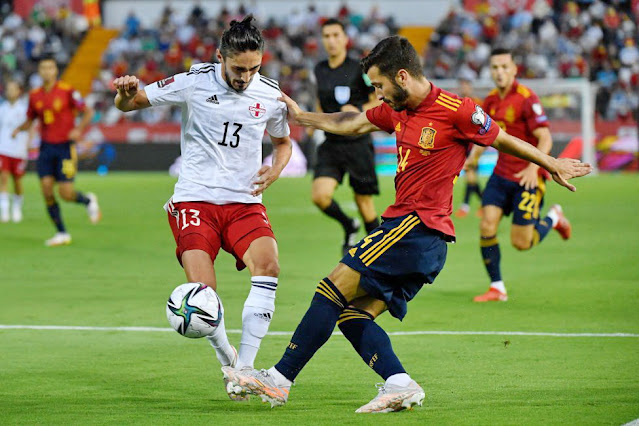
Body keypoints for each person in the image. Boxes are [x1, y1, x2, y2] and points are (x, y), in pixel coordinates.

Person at [221, 36, 591, 413]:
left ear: (402, 76)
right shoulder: (398, 109)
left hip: (414, 227)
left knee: (329, 290)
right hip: (424, 242)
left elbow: (503, 139)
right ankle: (399, 383)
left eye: (380, 86)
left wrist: (552, 163)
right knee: (352, 314)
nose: (378, 95)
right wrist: (302, 118)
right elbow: (351, 122)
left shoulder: (457, 110)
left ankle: (280, 379)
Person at [112, 16, 292, 399]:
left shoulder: (270, 95)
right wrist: (126, 92)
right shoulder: (194, 81)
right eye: (238, 68)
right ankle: (225, 353)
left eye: (254, 68)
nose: (245, 77)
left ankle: (243, 368)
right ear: (219, 57)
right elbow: (130, 104)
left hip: (244, 201)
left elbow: (283, 143)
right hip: (195, 199)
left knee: (269, 264)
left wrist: (275, 171)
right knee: (203, 293)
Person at [469, 48, 572, 303]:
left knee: (522, 243)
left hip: (528, 178)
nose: (499, 72)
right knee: (486, 224)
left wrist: (534, 167)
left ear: (515, 69)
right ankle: (497, 287)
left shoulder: (527, 98)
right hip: (501, 175)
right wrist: (473, 158)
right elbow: (486, 136)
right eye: (495, 67)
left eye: (504, 67)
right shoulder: (491, 100)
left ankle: (554, 217)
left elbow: (545, 137)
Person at [12, 57, 101, 246]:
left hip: (64, 148)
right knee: (46, 191)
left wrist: (78, 129)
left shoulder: (67, 91)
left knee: (65, 193)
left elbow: (88, 112)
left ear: (55, 71)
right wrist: (18, 129)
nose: (46, 71)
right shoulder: (35, 95)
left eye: (50, 68)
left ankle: (87, 200)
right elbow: (30, 119)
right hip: (45, 148)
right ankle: (62, 232)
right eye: (43, 68)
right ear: (39, 71)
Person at [311, 18, 380, 255]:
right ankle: (349, 225)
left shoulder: (360, 68)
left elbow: (377, 98)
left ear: (345, 39)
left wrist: (358, 113)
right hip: (332, 143)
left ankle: (379, 254)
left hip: (358, 143)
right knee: (320, 196)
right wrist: (314, 121)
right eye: (327, 36)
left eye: (335, 35)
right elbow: (320, 101)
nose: (331, 41)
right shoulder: (319, 69)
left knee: (365, 204)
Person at [0, 81, 29, 223]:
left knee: (17, 181)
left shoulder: (24, 109)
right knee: (3, 178)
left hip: (18, 150)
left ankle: (17, 207)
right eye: (8, 89)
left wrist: (28, 146)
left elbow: (30, 128)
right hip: (3, 148)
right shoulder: (2, 108)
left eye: (13, 89)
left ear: (19, 91)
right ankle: (4, 210)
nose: (10, 92)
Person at [454, 78, 483, 218]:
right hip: (462, 145)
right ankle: (484, 204)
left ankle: (465, 207)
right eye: (462, 85)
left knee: (470, 177)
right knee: (471, 178)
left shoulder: (476, 103)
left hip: (474, 145)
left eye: (466, 85)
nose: (464, 88)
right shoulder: (457, 102)